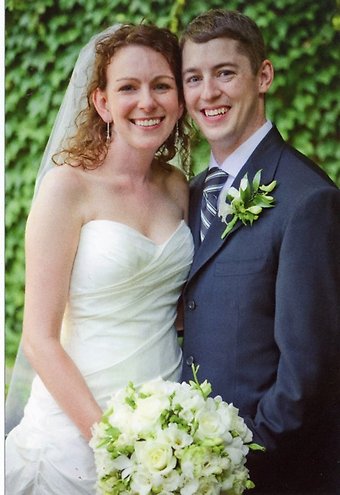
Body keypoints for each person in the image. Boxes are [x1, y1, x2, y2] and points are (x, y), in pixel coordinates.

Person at [5, 23, 194, 494]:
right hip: (79, 433)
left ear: (179, 100)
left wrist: (178, 437)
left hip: (170, 426)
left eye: (161, 86)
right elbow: (39, 341)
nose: (147, 102)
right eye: (128, 87)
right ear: (102, 103)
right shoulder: (66, 188)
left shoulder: (177, 186)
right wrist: (114, 444)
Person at [180, 9, 340, 494]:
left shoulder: (307, 199)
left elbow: (307, 374)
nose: (208, 94)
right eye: (193, 78)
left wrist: (237, 462)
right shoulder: (188, 195)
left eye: (225, 73)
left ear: (263, 76)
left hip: (265, 473)